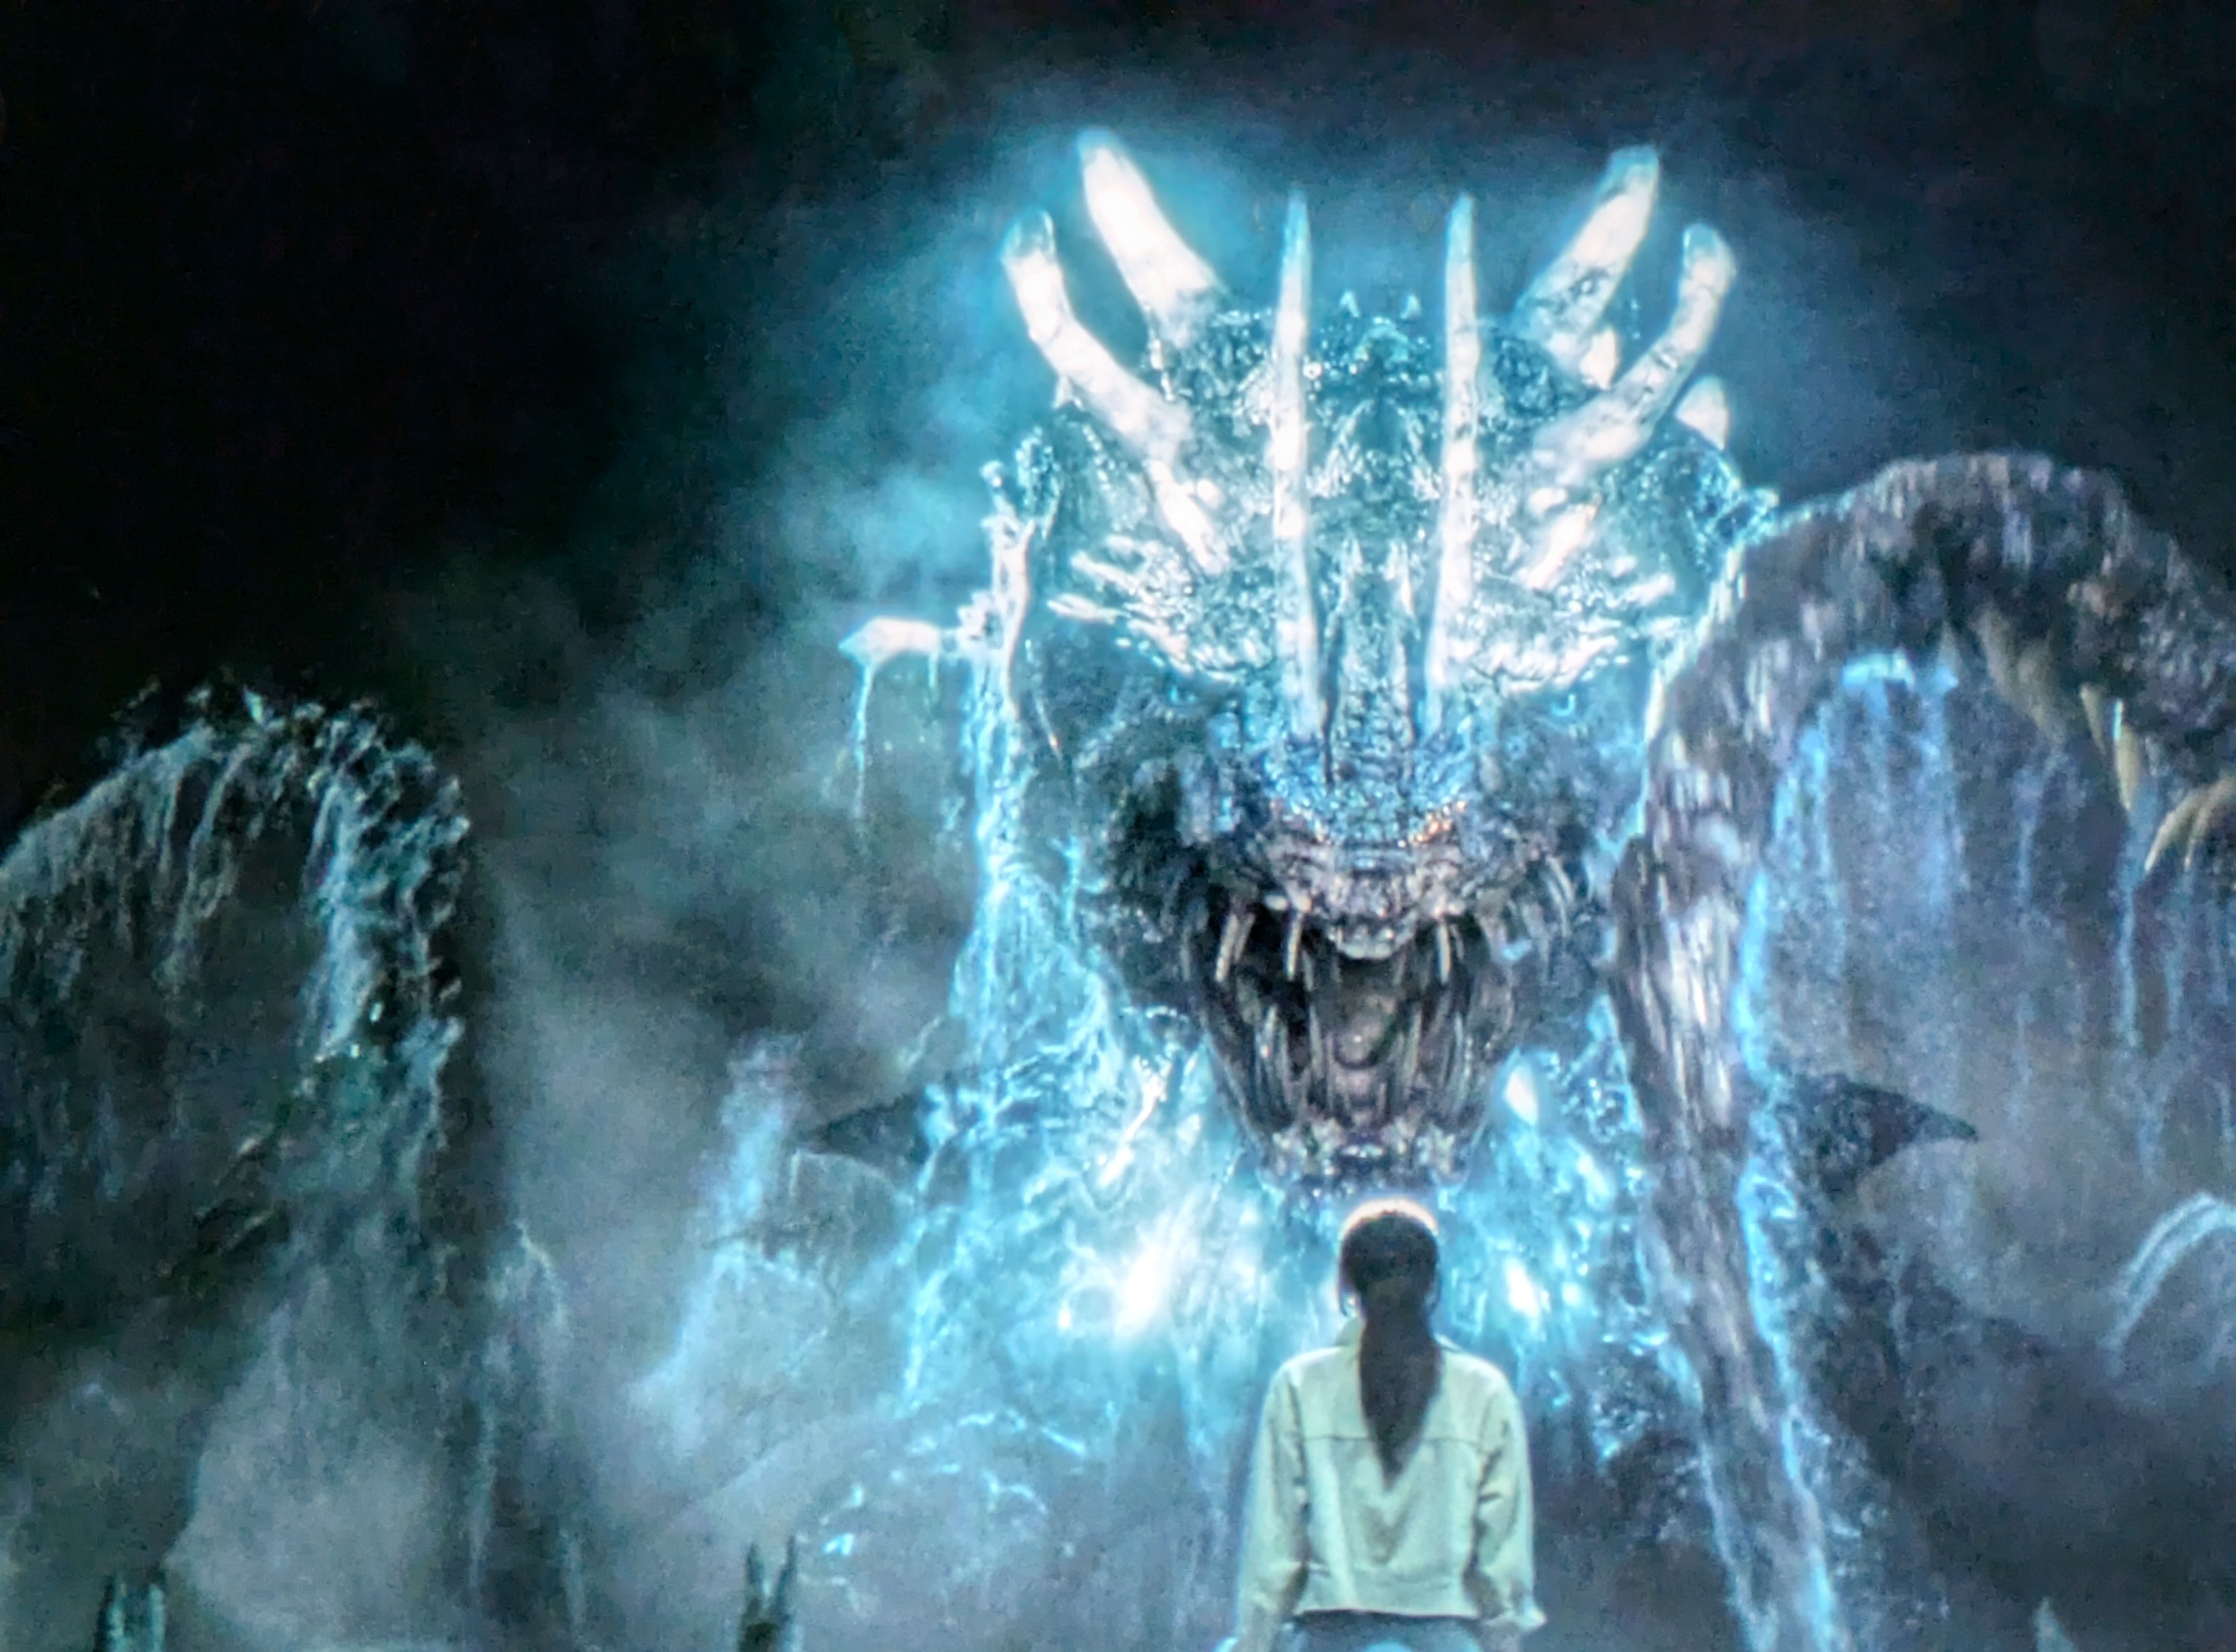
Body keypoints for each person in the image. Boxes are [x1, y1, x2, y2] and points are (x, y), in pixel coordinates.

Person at [1228, 1199, 1544, 1652]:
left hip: (1329, 1635)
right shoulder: (1484, 1392)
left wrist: (1255, 1641)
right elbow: (1503, 1556)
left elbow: (1273, 1545)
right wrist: (1503, 1637)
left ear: (1346, 1286)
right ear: (1433, 1285)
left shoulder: (1299, 1386)